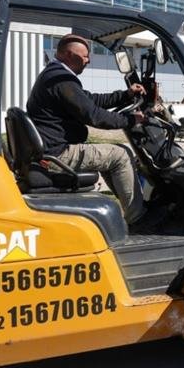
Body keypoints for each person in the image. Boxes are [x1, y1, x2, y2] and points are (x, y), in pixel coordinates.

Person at [26, 34, 154, 225]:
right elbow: (94, 116)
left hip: (51, 149)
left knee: (110, 156)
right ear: (70, 55)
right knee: (121, 154)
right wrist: (131, 120)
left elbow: (90, 100)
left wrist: (125, 95)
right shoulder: (62, 80)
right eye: (85, 56)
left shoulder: (55, 75)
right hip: (57, 155)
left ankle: (129, 209)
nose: (89, 60)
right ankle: (139, 217)